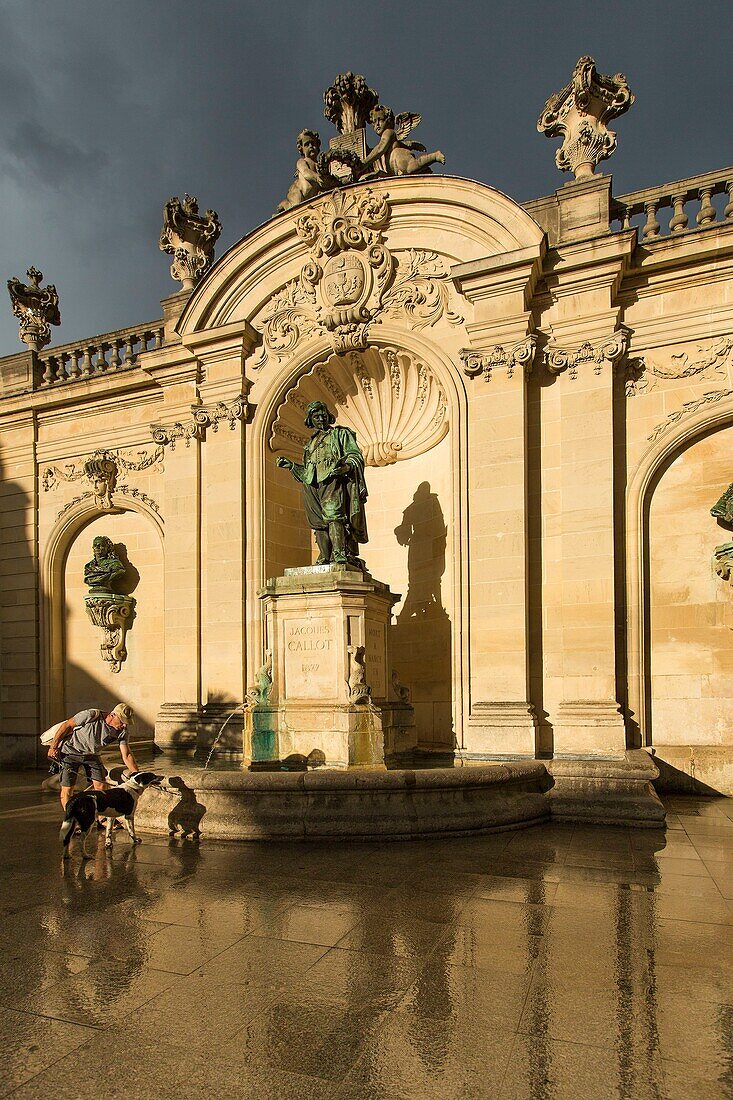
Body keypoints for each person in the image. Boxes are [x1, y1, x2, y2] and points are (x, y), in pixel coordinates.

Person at [276, 400, 368, 566]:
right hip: (311, 484)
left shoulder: (340, 435)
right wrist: (292, 466)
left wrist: (346, 467)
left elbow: (355, 455)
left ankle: (339, 554)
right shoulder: (309, 445)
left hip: (332, 480)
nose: (320, 418)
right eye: (316, 416)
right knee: (317, 521)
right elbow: (306, 471)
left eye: (323, 415)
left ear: (328, 416)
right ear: (310, 420)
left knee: (334, 516)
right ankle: (325, 556)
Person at [47, 703, 139, 813]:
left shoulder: (122, 732)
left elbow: (127, 754)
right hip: (70, 752)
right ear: (112, 715)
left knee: (101, 787)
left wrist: (136, 774)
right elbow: (66, 726)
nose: (124, 726)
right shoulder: (91, 715)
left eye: (127, 723)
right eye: (122, 721)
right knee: (67, 789)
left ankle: (102, 818)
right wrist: (53, 747)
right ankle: (72, 819)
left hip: (92, 756)